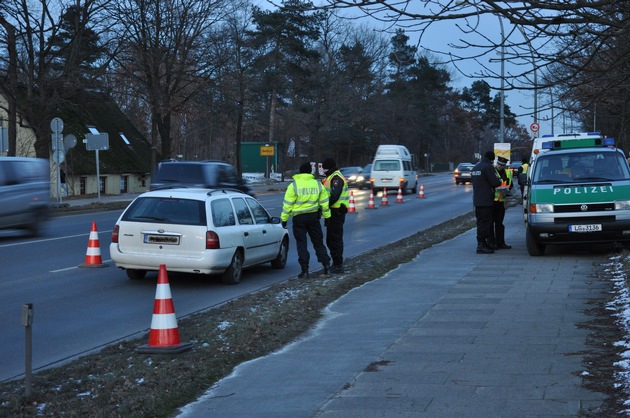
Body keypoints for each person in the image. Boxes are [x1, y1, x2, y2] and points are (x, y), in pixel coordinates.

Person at [281, 162, 332, 279]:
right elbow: (324, 203)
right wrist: (327, 217)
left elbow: (287, 205)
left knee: (301, 244)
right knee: (318, 242)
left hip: (299, 219)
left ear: (300, 171)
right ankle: (327, 267)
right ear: (310, 171)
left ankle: (305, 271)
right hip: (314, 217)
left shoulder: (294, 186)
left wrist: (284, 219)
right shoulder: (318, 184)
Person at [321, 158, 349, 274]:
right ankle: (336, 263)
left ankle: (338, 265)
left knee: (335, 239)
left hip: (336, 212)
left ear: (328, 168)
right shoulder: (331, 177)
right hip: (333, 212)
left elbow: (334, 196)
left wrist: (324, 206)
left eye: (324, 168)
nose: (323, 171)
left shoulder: (336, 178)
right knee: (331, 239)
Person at [472, 151, 502, 254]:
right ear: (492, 159)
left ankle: (483, 244)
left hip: (477, 200)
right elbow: (495, 182)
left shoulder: (476, 167)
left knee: (480, 222)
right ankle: (481, 245)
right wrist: (499, 181)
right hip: (486, 200)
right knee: (485, 223)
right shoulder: (488, 167)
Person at [488, 156, 514, 250]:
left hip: (501, 201)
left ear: (505, 165)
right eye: (499, 164)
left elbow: (510, 184)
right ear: (496, 163)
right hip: (492, 201)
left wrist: (508, 190)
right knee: (490, 223)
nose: (500, 166)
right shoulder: (492, 171)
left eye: (502, 165)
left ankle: (501, 243)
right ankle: (492, 243)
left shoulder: (508, 172)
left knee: (499, 223)